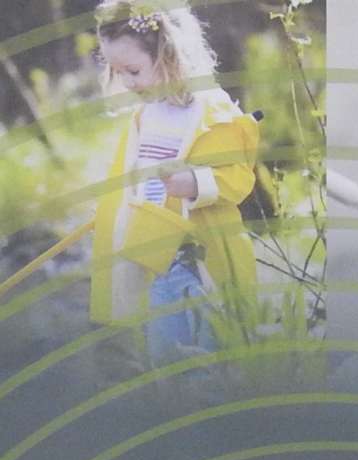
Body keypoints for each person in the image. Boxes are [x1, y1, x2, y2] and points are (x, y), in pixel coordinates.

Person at [89, 0, 260, 363]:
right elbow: (130, 180)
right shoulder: (145, 116)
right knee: (166, 357)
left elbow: (240, 178)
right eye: (118, 72)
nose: (127, 82)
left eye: (133, 70)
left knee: (211, 355)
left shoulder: (212, 112)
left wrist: (197, 183)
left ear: (168, 55)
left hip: (201, 258)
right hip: (156, 259)